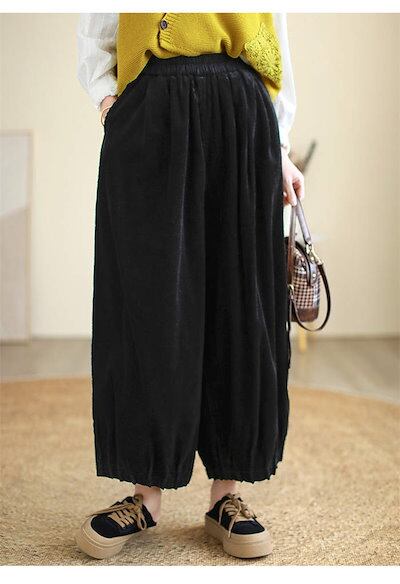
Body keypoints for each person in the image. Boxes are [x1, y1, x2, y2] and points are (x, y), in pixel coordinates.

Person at [75, 12, 304, 561]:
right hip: (150, 112)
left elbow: (273, 42)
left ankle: (227, 494)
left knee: (240, 302)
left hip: (243, 116)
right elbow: (97, 32)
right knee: (147, 302)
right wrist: (111, 106)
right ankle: (144, 495)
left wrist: (279, 148)